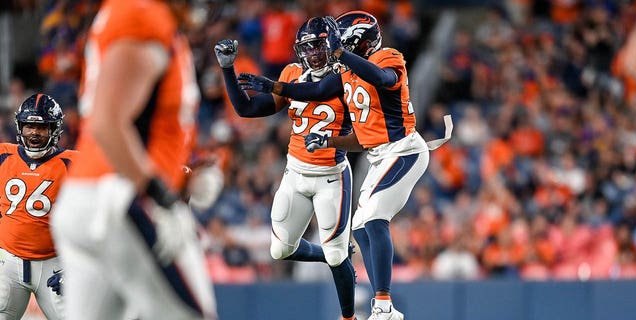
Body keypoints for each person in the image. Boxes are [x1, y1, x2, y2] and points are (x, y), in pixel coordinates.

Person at [237, 10, 452, 320]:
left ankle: (382, 306)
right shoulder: (347, 74)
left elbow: (381, 79)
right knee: (362, 228)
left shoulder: (388, 57)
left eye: (341, 43)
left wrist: (339, 53)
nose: (335, 50)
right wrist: (276, 87)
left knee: (375, 219)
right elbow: (316, 92)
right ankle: (384, 305)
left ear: (357, 42)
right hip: (378, 155)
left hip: (404, 150)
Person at [50, 1, 217, 319]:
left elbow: (139, 125)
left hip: (97, 195)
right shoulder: (143, 14)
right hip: (122, 199)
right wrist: (160, 196)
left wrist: (181, 178)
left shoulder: (146, 17)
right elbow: (108, 123)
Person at [214, 16, 356, 320]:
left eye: (319, 44)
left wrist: (277, 87)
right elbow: (248, 109)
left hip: (331, 176)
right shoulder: (292, 72)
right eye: (309, 47)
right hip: (295, 172)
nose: (315, 52)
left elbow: (320, 93)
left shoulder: (347, 74)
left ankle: (349, 316)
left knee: (334, 252)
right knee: (280, 251)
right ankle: (339, 259)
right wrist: (227, 69)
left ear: (333, 43)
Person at [0, 93, 73, 320]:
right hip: (7, 263)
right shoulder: (3, 155)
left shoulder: (72, 163)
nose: (34, 133)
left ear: (54, 129)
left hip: (54, 264)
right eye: (29, 126)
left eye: (41, 127)